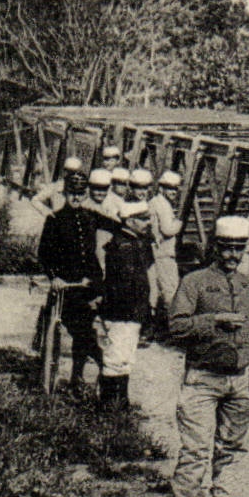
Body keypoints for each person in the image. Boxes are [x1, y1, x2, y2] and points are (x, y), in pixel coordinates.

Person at [169, 216, 249, 497]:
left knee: (233, 448)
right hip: (202, 379)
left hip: (238, 380)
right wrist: (213, 321)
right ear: (215, 248)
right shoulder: (194, 282)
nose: (233, 255)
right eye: (226, 248)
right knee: (195, 451)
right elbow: (176, 326)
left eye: (239, 248)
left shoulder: (246, 284)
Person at [37, 168, 112, 390]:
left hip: (90, 283)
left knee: (85, 329)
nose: (76, 198)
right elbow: (44, 253)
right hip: (68, 285)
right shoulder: (55, 219)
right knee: (77, 328)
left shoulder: (91, 216)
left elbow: (118, 227)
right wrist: (54, 277)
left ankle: (76, 377)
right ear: (65, 194)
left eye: (80, 193)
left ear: (86, 194)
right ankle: (101, 362)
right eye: (72, 193)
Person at [96, 199, 154, 411]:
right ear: (129, 221)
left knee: (125, 358)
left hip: (129, 312)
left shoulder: (131, 242)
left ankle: (120, 403)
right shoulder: (123, 246)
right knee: (116, 359)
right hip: (122, 312)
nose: (148, 222)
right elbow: (127, 285)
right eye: (143, 219)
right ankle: (110, 407)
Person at [147, 170, 185, 339]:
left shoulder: (154, 202)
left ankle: (151, 328)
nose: (173, 192)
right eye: (170, 189)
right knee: (171, 292)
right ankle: (175, 331)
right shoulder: (163, 205)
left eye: (175, 189)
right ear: (162, 188)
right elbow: (167, 229)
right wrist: (179, 223)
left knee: (154, 291)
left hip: (155, 253)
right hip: (164, 254)